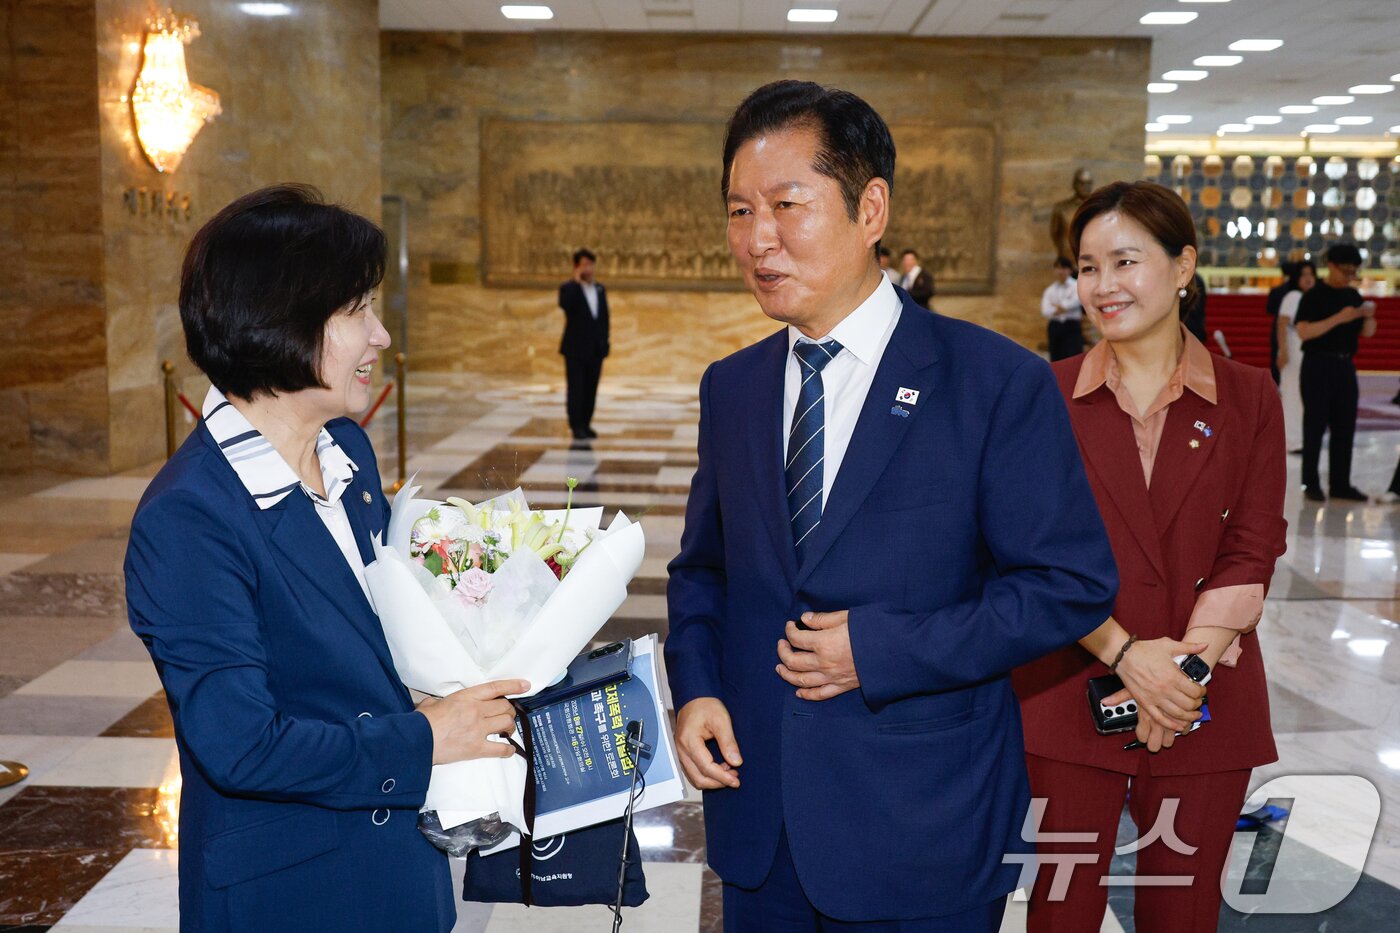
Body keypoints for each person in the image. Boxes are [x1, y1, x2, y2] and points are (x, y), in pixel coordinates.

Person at [665, 79, 1117, 932]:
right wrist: (695, 689)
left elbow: (1069, 584)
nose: (758, 239)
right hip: (760, 823)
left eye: (787, 205)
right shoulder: (733, 387)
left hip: (923, 829)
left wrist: (878, 648)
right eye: (737, 211)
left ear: (870, 207)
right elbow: (703, 570)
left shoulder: (992, 381)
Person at [125, 185, 528, 933]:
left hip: (397, 871)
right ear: (278, 320)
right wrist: (426, 737)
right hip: (292, 893)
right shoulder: (189, 516)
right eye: (355, 311)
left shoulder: (347, 450)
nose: (379, 334)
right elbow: (239, 744)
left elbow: (370, 650)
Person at [1014, 180, 1288, 933]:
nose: (1102, 285)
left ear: (1182, 266)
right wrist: (1127, 655)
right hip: (1069, 687)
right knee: (1061, 908)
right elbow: (1025, 549)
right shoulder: (1043, 394)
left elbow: (1256, 540)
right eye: (1088, 266)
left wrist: (1182, 675)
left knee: (1183, 909)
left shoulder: (1250, 396)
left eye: (1125, 261)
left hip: (1208, 700)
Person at [1294, 242, 1376, 501]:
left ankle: (1341, 483)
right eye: (1345, 270)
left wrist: (1368, 317)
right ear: (1330, 266)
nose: (1350, 275)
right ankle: (1311, 483)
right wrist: (1340, 318)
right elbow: (1304, 331)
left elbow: (1367, 332)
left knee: (1345, 425)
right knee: (1315, 425)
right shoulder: (1314, 296)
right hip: (1317, 364)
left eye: (1354, 271)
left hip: (1344, 365)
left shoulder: (1353, 296)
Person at [558, 247, 610, 440]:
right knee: (576, 388)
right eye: (584, 265)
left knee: (591, 388)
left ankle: (586, 423)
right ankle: (576, 425)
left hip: (595, 349)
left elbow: (604, 317)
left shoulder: (599, 289)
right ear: (576, 266)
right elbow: (566, 306)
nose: (588, 268)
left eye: (591, 264)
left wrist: (605, 341)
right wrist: (576, 282)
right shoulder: (568, 288)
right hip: (575, 349)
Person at [1275, 260, 1316, 453]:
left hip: (1305, 348)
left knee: (1303, 395)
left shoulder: (1311, 297)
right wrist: (1283, 351)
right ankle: (1292, 440)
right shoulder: (1293, 296)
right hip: (1293, 347)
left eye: (1311, 275)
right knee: (1292, 393)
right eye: (1304, 275)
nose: (1308, 279)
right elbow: (1282, 324)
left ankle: (1300, 438)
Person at [1041, 256, 1083, 360]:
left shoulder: (1077, 285)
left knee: (1074, 357)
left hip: (1071, 326)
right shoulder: (1050, 290)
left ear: (1069, 270)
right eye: (1058, 268)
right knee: (1056, 358)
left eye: (1063, 268)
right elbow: (1045, 310)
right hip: (1055, 326)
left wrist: (1058, 307)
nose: (1060, 271)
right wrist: (1060, 308)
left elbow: (1075, 302)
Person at [1264, 262, 1297, 384]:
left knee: (1276, 358)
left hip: (1278, 329)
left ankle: (1275, 385)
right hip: (1292, 328)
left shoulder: (1277, 291)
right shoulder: (1296, 291)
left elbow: (1270, 309)